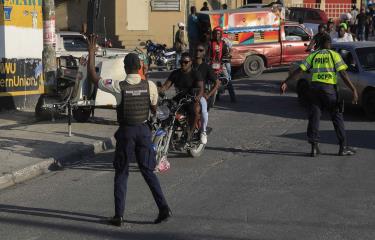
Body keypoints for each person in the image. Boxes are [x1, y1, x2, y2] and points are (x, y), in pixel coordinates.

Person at [86, 35, 171, 226]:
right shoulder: (149, 85)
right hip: (143, 131)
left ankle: (119, 216)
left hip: (126, 132)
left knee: (122, 172)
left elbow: (93, 76)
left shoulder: (118, 86)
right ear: (140, 68)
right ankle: (163, 208)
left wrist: (91, 52)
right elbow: (155, 109)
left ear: (125, 68)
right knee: (148, 171)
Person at [280, 34, 358, 157]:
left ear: (319, 44)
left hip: (315, 90)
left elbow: (300, 70)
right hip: (329, 91)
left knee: (314, 117)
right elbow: (343, 73)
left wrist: (286, 81)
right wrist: (353, 89)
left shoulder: (314, 55)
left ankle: (314, 148)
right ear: (328, 43)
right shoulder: (334, 55)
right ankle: (342, 147)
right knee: (337, 117)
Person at [159, 52, 204, 140]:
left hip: (191, 98)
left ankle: (190, 133)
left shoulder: (196, 73)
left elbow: (201, 89)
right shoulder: (175, 73)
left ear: (191, 62)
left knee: (195, 111)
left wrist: (198, 96)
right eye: (181, 62)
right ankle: (169, 130)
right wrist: (157, 90)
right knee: (165, 109)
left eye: (186, 62)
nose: (183, 64)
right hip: (179, 98)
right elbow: (165, 86)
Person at [193, 43, 221, 144]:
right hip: (187, 93)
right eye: (196, 50)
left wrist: (208, 95)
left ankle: (203, 131)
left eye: (200, 50)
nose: (198, 52)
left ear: (204, 53)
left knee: (204, 111)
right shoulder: (188, 64)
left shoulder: (206, 67)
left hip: (200, 94)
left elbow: (217, 83)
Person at [208, 26, 236, 102]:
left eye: (218, 34)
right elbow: (207, 53)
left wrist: (227, 57)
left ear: (221, 34)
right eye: (216, 34)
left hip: (221, 64)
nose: (217, 35)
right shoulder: (210, 43)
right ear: (213, 34)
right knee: (204, 78)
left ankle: (233, 97)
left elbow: (226, 53)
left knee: (227, 79)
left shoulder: (223, 43)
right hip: (211, 64)